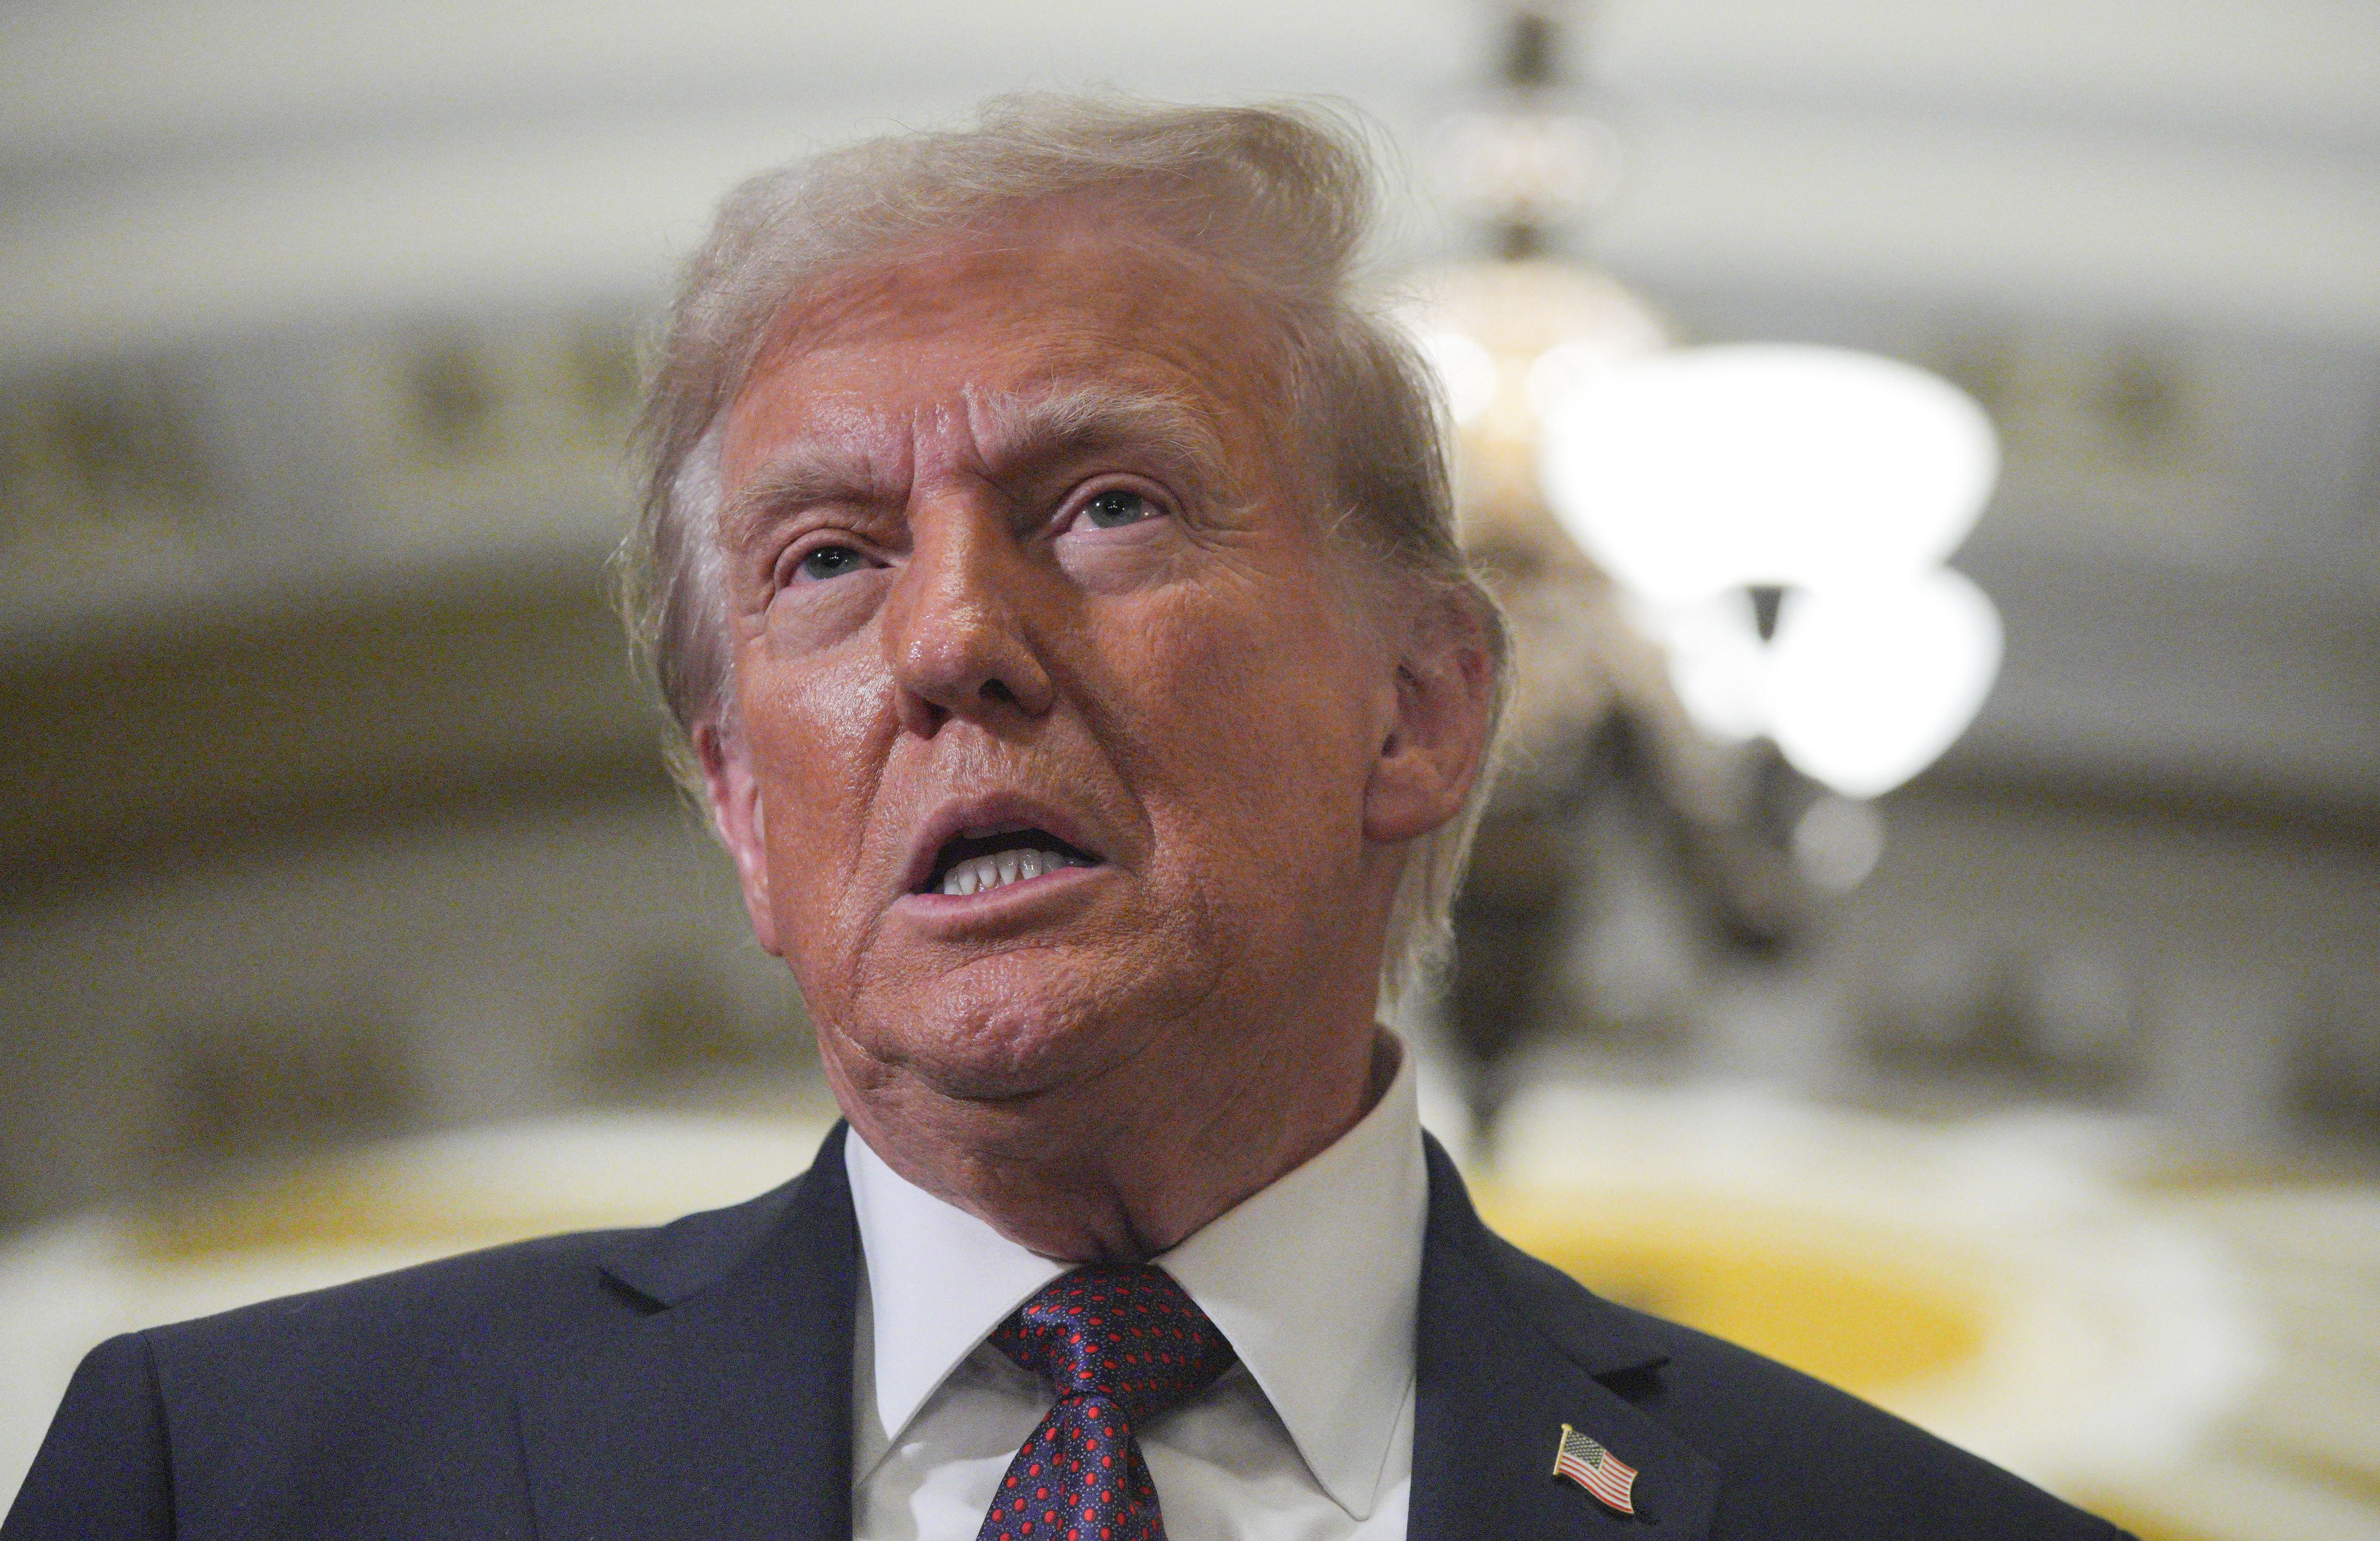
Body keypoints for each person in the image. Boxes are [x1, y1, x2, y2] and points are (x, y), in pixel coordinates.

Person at [5, 96, 2129, 1541]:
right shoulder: (244, 1478)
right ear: (741, 803)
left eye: (1104, 505)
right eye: (829, 555)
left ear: (1419, 706)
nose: (954, 640)